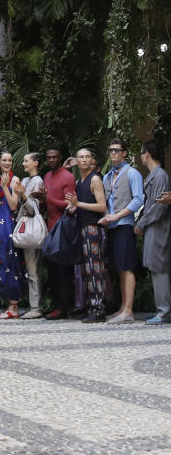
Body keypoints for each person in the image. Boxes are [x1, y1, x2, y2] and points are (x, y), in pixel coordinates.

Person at [100, 137, 145, 324]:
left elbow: (138, 200)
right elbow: (105, 201)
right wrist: (106, 215)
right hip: (111, 226)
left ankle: (128, 310)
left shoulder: (132, 173)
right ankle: (122, 308)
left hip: (124, 224)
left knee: (127, 267)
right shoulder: (107, 176)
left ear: (124, 153)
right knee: (119, 267)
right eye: (110, 150)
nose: (113, 153)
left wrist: (117, 216)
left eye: (117, 150)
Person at [65, 149, 108, 323]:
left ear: (92, 160)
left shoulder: (95, 179)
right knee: (87, 271)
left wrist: (79, 204)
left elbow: (101, 206)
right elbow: (81, 204)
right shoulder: (79, 180)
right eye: (81, 157)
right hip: (82, 228)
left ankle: (98, 309)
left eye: (87, 157)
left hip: (93, 228)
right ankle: (92, 306)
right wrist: (74, 207)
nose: (84, 160)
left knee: (95, 270)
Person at [135, 141, 170, 324]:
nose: (141, 157)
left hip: (158, 227)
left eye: (141, 153)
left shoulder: (160, 176)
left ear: (147, 154)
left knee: (159, 266)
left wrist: (142, 222)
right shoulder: (154, 175)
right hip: (152, 226)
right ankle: (161, 309)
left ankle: (164, 311)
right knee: (155, 265)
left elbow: (159, 207)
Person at [43, 145, 77, 320]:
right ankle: (57, 305)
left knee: (62, 270)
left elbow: (69, 204)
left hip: (62, 228)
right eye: (48, 157)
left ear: (60, 157)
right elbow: (47, 203)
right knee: (53, 270)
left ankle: (63, 307)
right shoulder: (47, 176)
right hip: (50, 227)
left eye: (54, 157)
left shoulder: (68, 177)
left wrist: (48, 199)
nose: (51, 160)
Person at [0, 151, 24, 319]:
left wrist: (4, 187)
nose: (7, 162)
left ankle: (14, 306)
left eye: (10, 160)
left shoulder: (15, 179)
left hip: (9, 223)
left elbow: (13, 205)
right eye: (4, 160)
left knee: (11, 260)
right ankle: (9, 304)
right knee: (0, 259)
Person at [13, 152, 46, 318]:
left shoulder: (38, 181)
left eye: (27, 161)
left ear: (36, 163)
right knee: (28, 268)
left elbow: (34, 209)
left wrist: (22, 194)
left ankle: (36, 308)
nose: (24, 163)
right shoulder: (25, 180)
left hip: (32, 227)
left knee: (34, 269)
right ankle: (32, 304)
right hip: (23, 226)